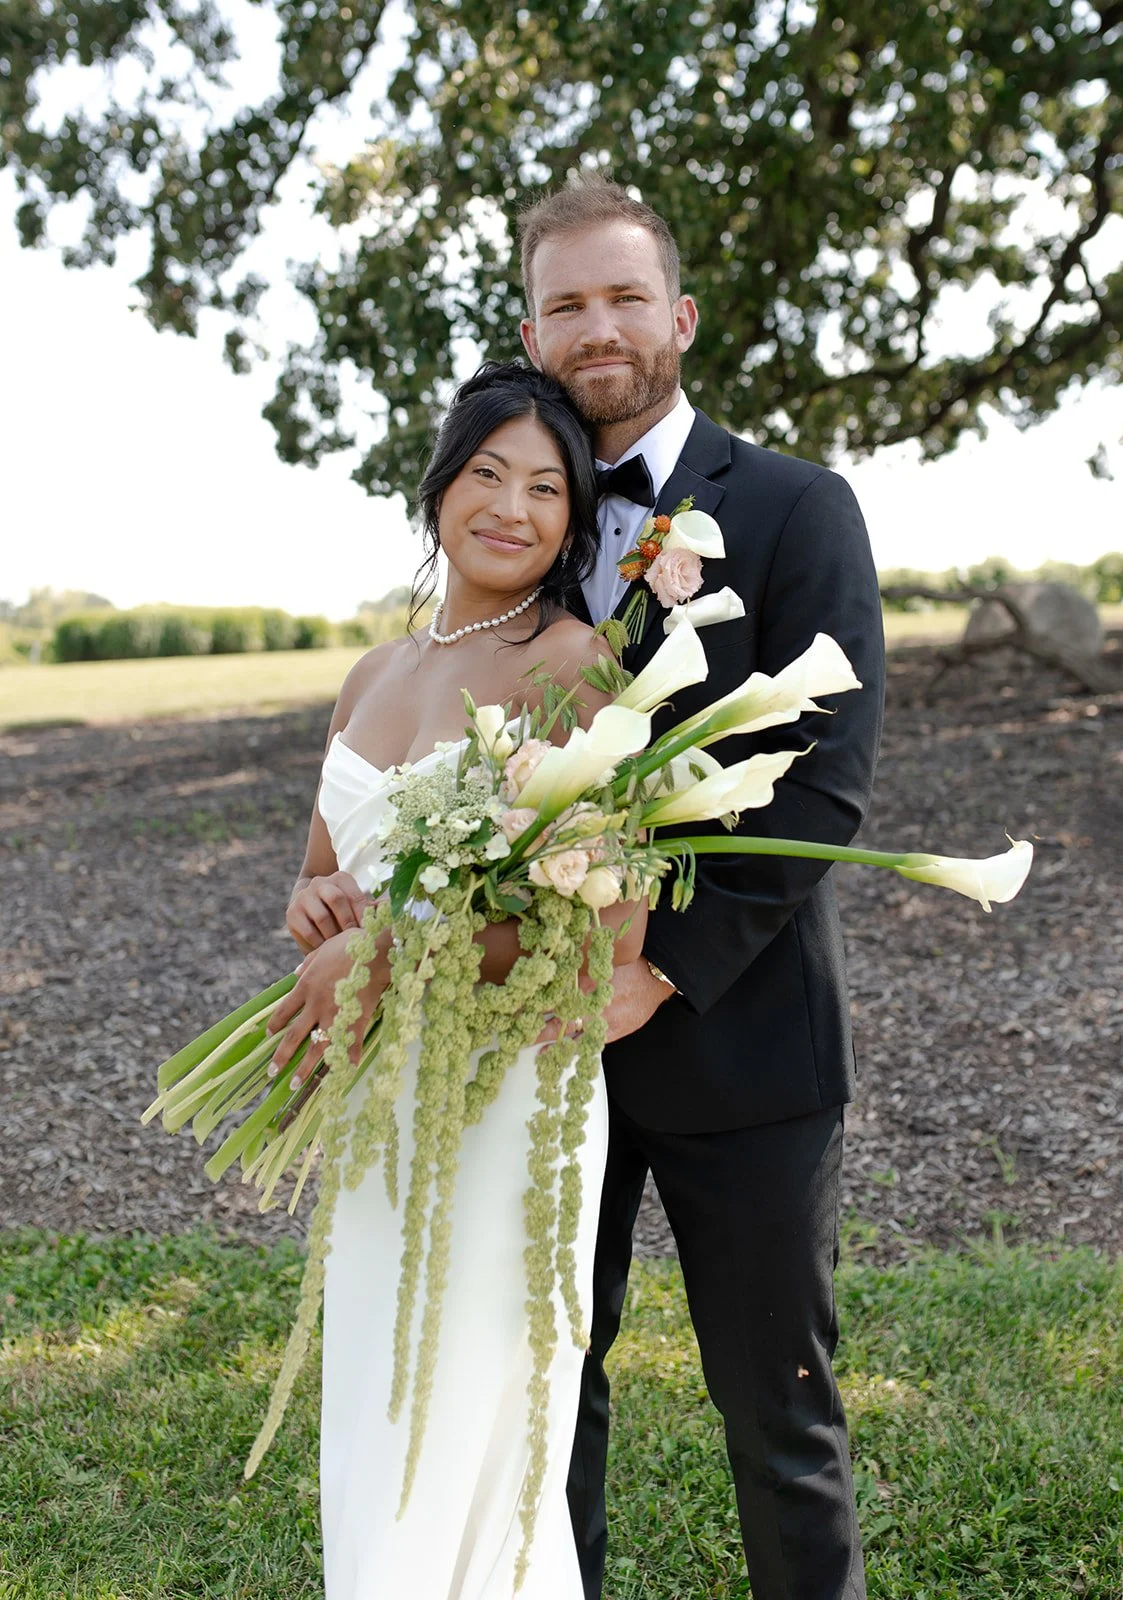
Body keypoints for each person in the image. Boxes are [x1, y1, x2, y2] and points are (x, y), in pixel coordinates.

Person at [517, 176, 885, 1600]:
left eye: (620, 297)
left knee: (776, 1413)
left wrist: (655, 970)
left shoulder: (796, 506)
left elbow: (823, 780)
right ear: (533, 331)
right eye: (565, 304)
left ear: (675, 316)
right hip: (546, 1051)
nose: (594, 328)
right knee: (552, 1395)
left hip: (745, 1045)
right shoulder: (516, 515)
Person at [264, 360, 645, 1598]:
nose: (513, 508)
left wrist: (375, 952)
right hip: (384, 1093)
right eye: (488, 473)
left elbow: (608, 936)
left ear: (571, 522)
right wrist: (315, 911)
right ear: (439, 486)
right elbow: (328, 874)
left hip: (506, 1098)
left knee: (472, 1413)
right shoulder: (369, 675)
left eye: (547, 488)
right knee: (379, 1408)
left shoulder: (575, 668)